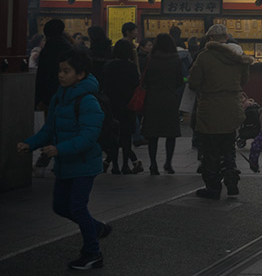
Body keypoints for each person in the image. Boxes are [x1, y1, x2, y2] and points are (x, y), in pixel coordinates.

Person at [18, 49, 112, 269]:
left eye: (66, 71)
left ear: (80, 75)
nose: (61, 75)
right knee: (60, 206)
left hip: (84, 163)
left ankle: (93, 253)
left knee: (78, 207)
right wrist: (30, 144)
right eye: (60, 70)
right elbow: (49, 129)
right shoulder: (59, 98)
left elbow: (88, 137)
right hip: (65, 163)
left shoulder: (88, 101)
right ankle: (96, 228)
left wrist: (60, 149)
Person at [189, 24, 251, 198]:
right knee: (228, 147)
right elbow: (244, 80)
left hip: (210, 107)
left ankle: (213, 187)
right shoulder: (238, 57)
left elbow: (193, 82)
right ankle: (232, 184)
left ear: (210, 39)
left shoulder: (204, 57)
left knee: (210, 150)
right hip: (231, 105)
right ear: (226, 38)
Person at [33, 19, 75, 177]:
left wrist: (38, 98)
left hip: (49, 96)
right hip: (67, 94)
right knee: (64, 129)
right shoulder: (69, 49)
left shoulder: (47, 50)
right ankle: (60, 162)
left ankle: (44, 162)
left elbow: (42, 76)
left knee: (51, 129)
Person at [141, 34, 183, 175]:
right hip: (170, 99)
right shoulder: (176, 60)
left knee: (153, 134)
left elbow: (144, 80)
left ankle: (153, 164)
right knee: (170, 134)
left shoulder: (150, 60)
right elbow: (179, 81)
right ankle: (168, 163)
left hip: (152, 99)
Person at [101, 39, 143, 175]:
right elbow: (136, 85)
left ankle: (114, 166)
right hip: (127, 105)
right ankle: (125, 165)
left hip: (111, 105)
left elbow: (103, 85)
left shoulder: (108, 66)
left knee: (113, 136)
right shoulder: (131, 67)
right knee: (126, 137)